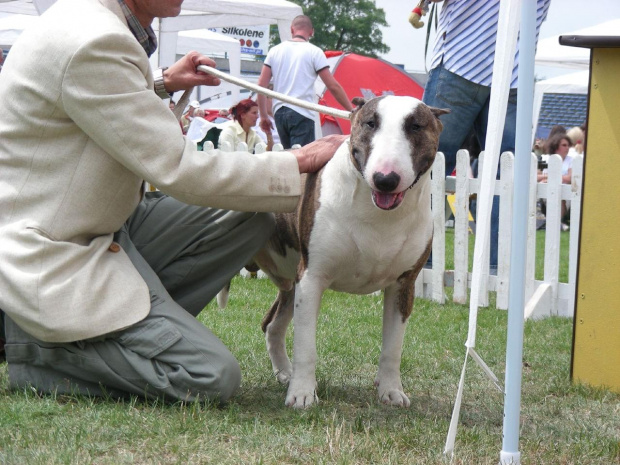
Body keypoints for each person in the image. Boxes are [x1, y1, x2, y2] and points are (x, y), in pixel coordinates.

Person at [0, 0, 344, 403]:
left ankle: (135, 330)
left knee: (253, 215)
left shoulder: (86, 21)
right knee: (209, 376)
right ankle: (31, 351)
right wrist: (298, 160)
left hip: (101, 228)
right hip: (57, 253)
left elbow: (92, 95)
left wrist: (162, 82)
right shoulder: (95, 39)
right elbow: (178, 168)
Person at [422, 0, 552, 274]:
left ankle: (422, 261)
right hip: (515, 69)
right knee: (506, 174)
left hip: (462, 59)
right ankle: (498, 268)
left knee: (430, 165)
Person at [257, 15, 354, 149]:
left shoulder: (274, 51)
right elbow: (332, 86)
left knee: (288, 157)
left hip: (279, 112)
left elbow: (261, 85)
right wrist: (352, 111)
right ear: (312, 32)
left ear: (292, 29)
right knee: (302, 161)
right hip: (301, 111)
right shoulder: (315, 52)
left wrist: (263, 116)